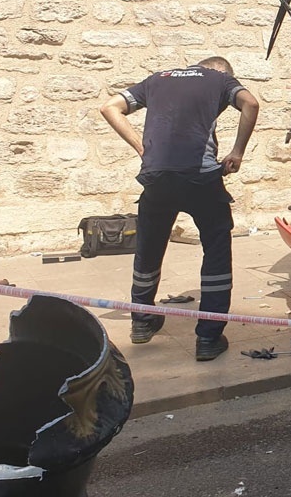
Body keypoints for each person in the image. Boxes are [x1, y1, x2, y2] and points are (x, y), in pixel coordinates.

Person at [99, 56, 260, 362]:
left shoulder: (157, 78)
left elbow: (109, 107)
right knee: (215, 250)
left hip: (156, 177)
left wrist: (140, 146)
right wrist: (237, 151)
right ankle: (208, 338)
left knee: (149, 246)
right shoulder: (219, 79)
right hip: (200, 178)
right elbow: (250, 104)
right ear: (221, 71)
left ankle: (142, 321)